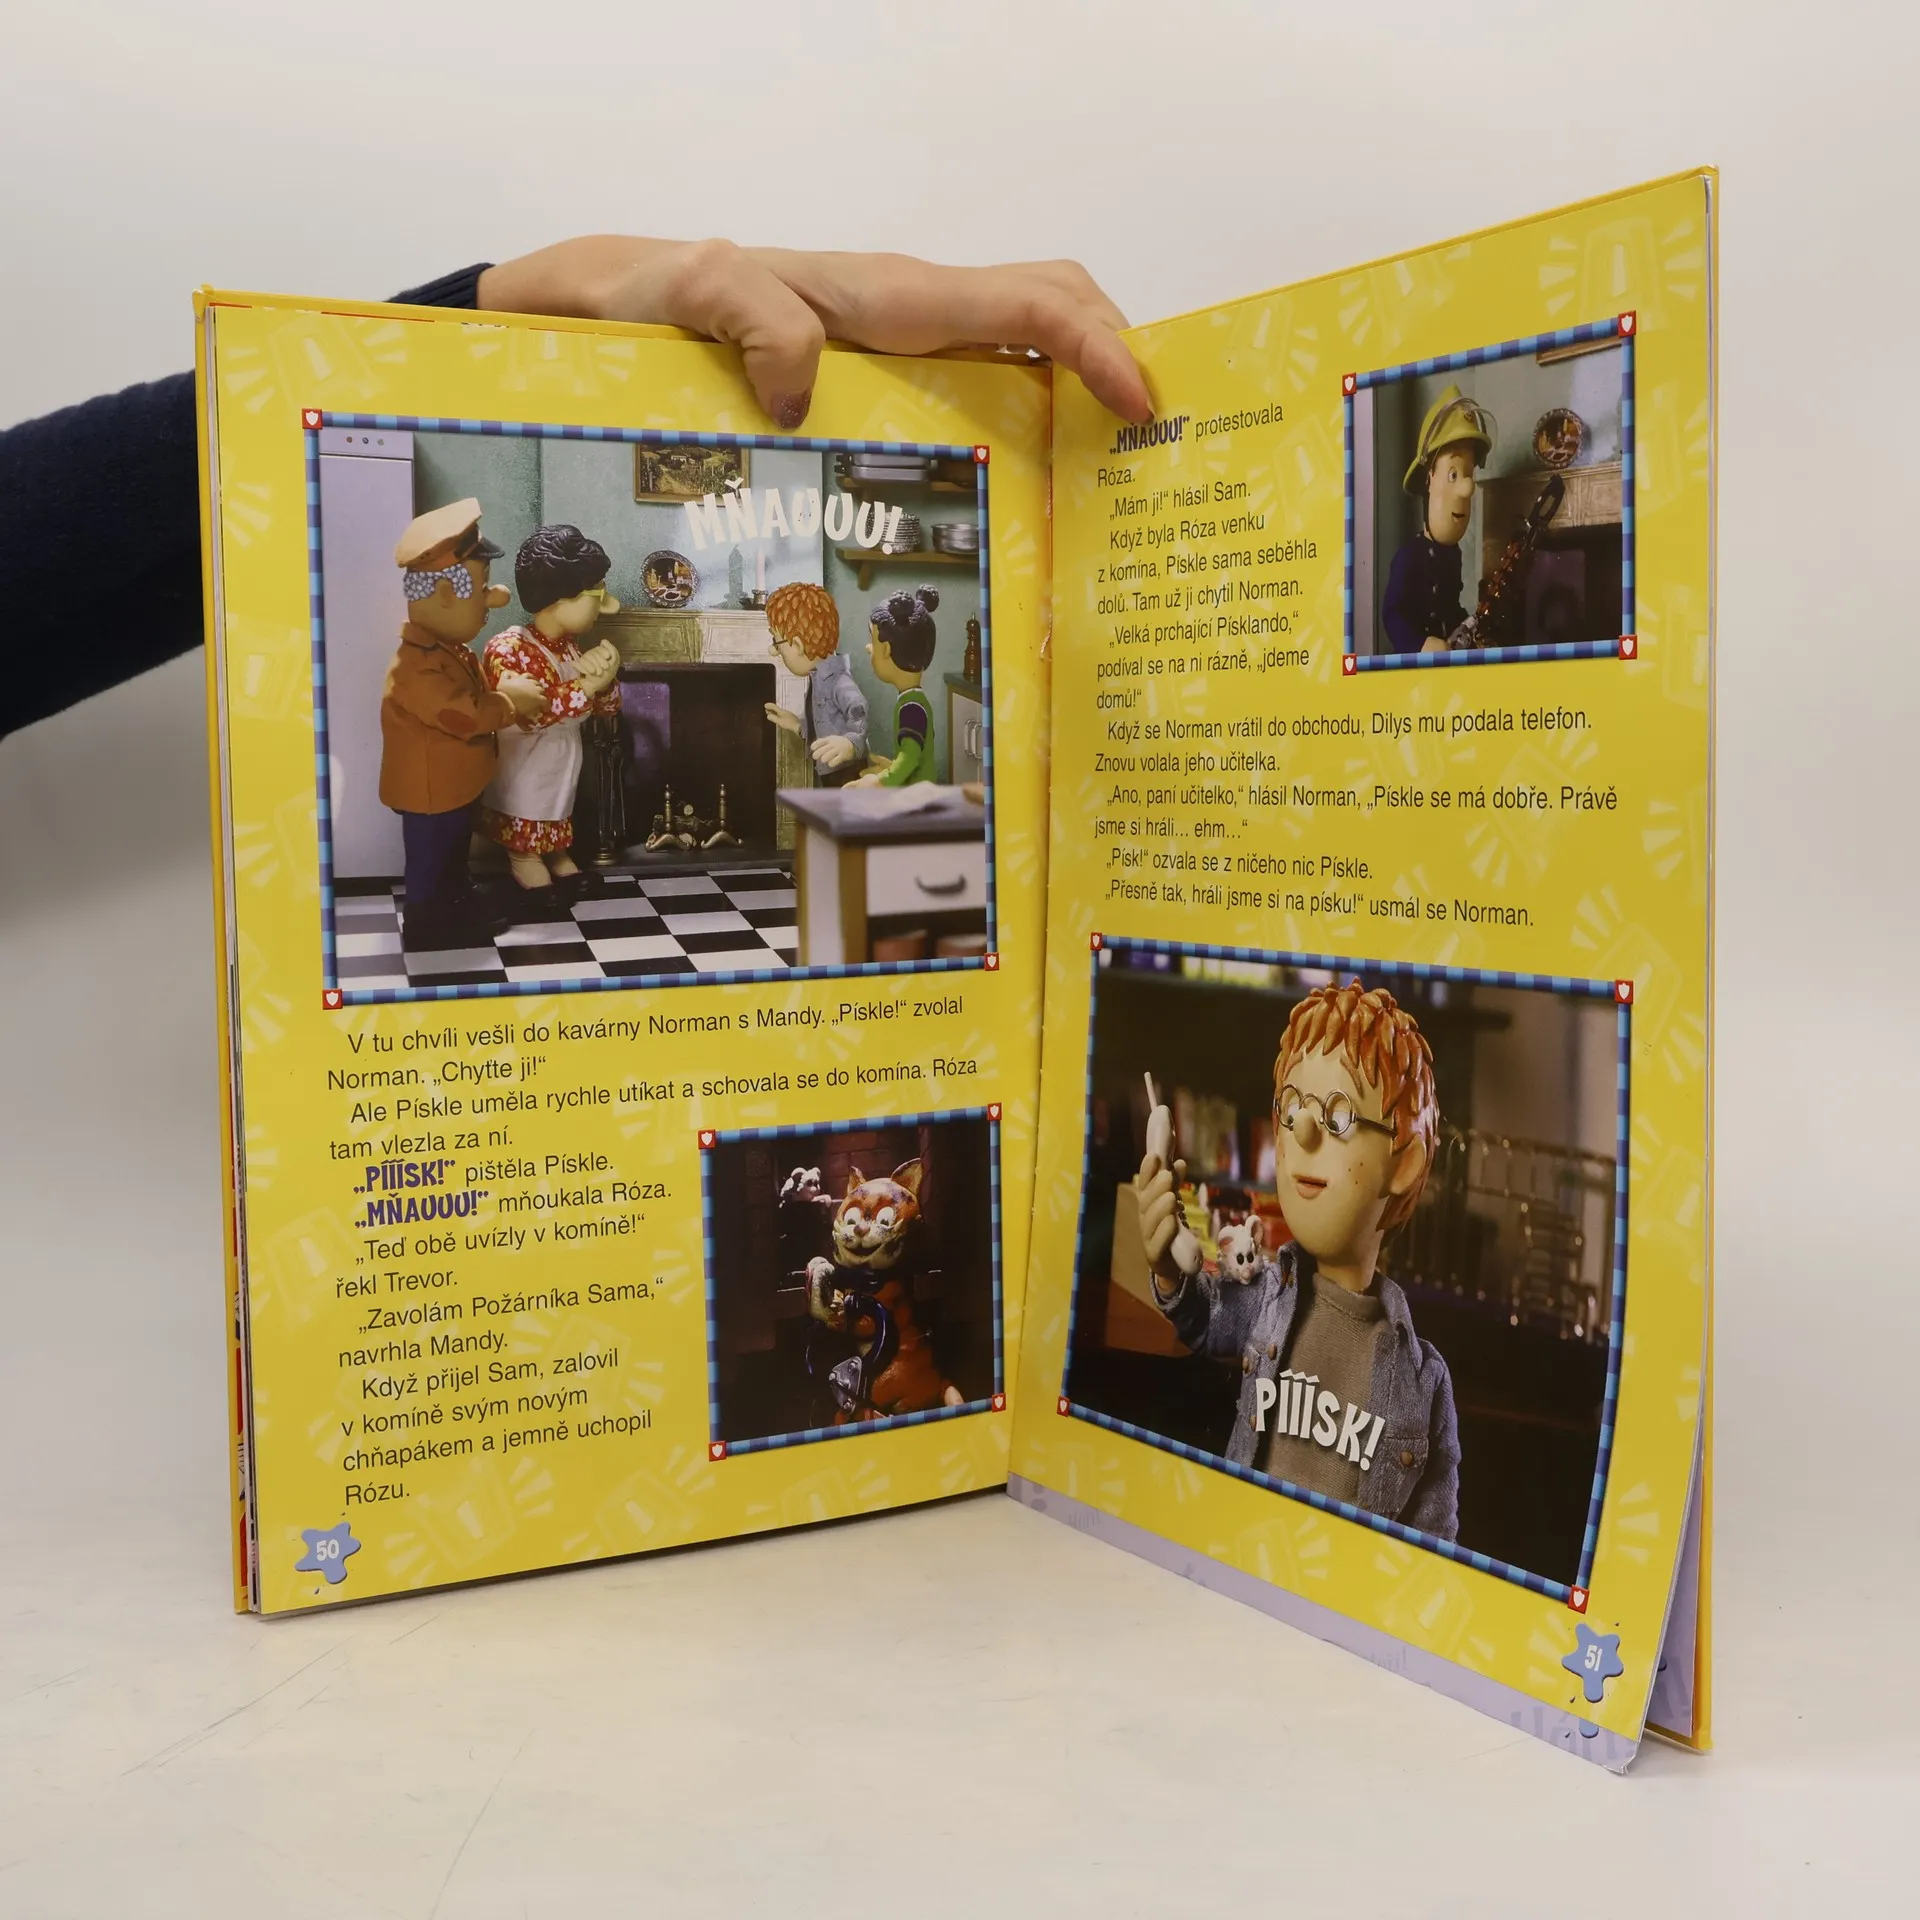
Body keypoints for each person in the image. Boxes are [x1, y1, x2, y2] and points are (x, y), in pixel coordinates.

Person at [0, 239, 1152, 742]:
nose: (599, 609)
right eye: (589, 597)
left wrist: (536, 302)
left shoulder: (836, 676)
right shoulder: (488, 649)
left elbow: (107, 547)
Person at [1135, 980, 1461, 1538]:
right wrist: (1168, 1267)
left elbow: (1434, 1552)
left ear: (1404, 1164)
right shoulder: (1267, 1298)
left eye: (1338, 1117)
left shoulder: (1424, 1384)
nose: (1303, 1130)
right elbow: (1201, 1314)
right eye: (1292, 1109)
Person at [379, 501, 545, 950]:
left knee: (452, 853)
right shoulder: (415, 667)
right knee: (430, 860)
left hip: (452, 789)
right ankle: (426, 922)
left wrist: (506, 690)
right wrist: (510, 702)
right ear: (444, 594)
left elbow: (475, 696)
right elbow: (463, 714)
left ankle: (455, 901)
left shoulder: (448, 651)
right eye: (483, 589)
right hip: (430, 794)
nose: (494, 598)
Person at [477, 525, 623, 896]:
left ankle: (556, 856)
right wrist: (587, 686)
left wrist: (606, 684)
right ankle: (524, 859)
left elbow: (605, 709)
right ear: (560, 595)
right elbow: (532, 713)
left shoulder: (571, 649)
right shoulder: (510, 648)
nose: (608, 605)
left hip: (559, 763)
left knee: (554, 807)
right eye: (597, 593)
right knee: (529, 807)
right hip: (524, 763)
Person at [1379, 383, 1496, 656]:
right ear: (1429, 479)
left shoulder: (1452, 554)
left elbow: (1448, 606)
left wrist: (1471, 629)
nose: (1467, 488)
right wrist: (1419, 644)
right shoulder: (1409, 556)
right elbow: (1393, 613)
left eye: (1469, 475)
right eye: (1453, 475)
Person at [762, 580, 867, 787]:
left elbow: (858, 708)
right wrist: (797, 725)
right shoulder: (818, 678)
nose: (774, 651)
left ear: (798, 645)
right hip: (829, 773)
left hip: (847, 776)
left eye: (777, 643)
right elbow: (824, 724)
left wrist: (850, 744)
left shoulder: (839, 681)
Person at [855, 586, 940, 787]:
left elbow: (909, 758)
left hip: (917, 798)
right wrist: (892, 767)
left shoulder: (912, 708)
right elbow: (914, 754)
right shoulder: (913, 701)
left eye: (873, 643)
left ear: (886, 649)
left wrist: (881, 782)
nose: (869, 649)